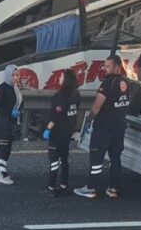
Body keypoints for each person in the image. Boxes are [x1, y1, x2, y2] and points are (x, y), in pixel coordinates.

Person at [75, 55, 131, 199]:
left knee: (96, 157)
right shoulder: (126, 83)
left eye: (108, 66)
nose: (105, 69)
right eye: (105, 66)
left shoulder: (107, 83)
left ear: (117, 67)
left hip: (104, 127)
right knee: (115, 158)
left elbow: (97, 105)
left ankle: (91, 188)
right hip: (119, 127)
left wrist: (89, 119)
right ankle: (113, 188)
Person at [44, 69, 81, 197]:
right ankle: (64, 184)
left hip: (58, 132)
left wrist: (48, 129)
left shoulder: (60, 96)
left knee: (54, 159)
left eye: (61, 77)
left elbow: (55, 115)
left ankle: (51, 186)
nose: (59, 78)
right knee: (64, 158)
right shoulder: (76, 94)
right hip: (68, 131)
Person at [0, 65, 24, 185]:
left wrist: (19, 112)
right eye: (13, 75)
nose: (15, 77)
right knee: (4, 147)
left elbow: (20, 103)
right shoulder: (2, 88)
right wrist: (10, 112)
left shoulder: (15, 89)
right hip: (3, 123)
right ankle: (1, 173)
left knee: (4, 146)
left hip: (10, 122)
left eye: (17, 75)